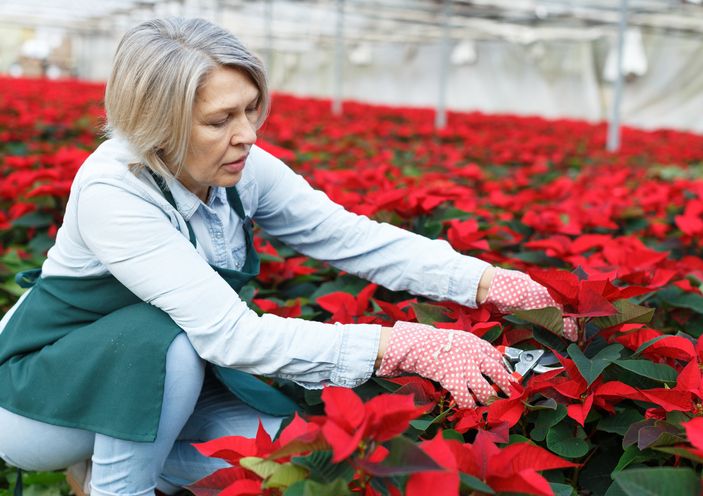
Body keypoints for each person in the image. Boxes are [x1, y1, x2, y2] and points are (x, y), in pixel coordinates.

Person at [0, 17, 576, 496]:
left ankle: (124, 467)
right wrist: (402, 344)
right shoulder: (114, 190)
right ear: (159, 125)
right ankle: (115, 485)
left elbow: (349, 237)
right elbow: (232, 337)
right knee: (163, 338)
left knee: (298, 453)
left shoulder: (236, 164)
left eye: (251, 109)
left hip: (173, 381)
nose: (247, 133)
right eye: (220, 120)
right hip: (39, 399)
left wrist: (487, 282)